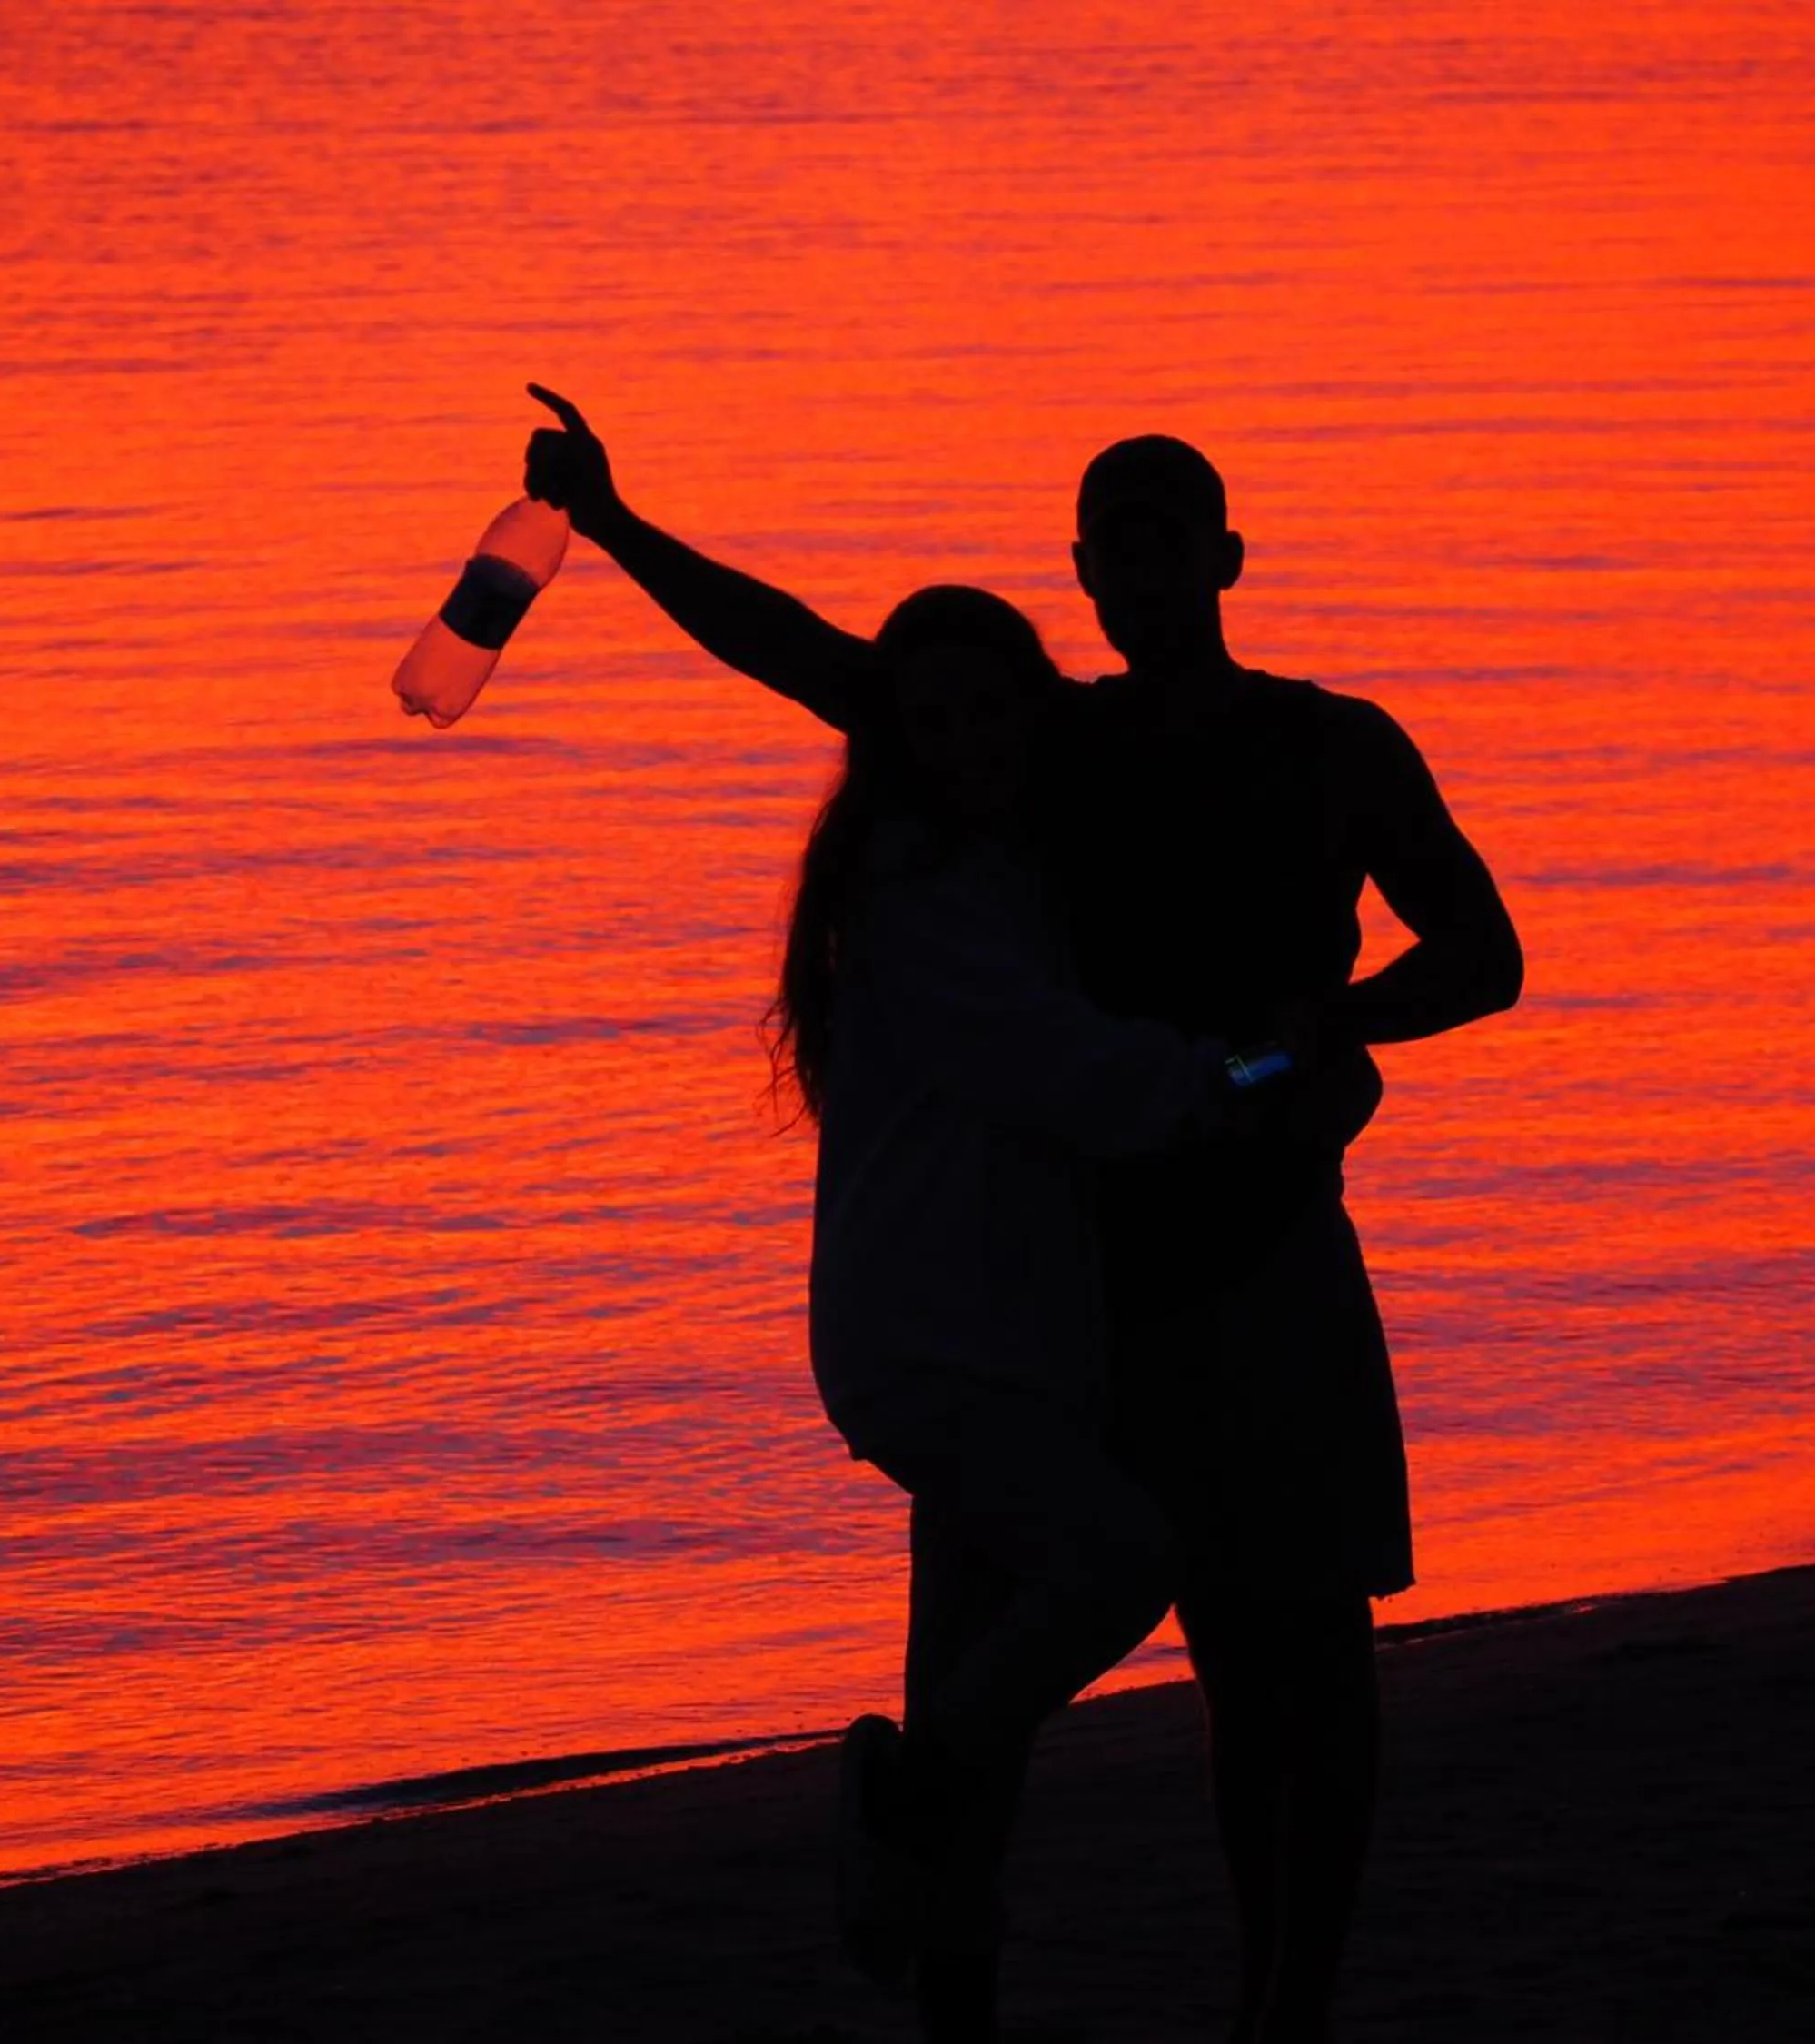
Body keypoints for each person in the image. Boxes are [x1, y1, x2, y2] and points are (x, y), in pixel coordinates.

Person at [524, 387, 1523, 2044]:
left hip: (1270, 1255)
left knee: (1309, 1659)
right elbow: (822, 663)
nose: (1142, 568)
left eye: (1168, 536)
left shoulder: (1332, 743)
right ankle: (1005, 1996)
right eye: (1112, 544)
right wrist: (621, 531)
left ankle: (1288, 2009)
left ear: (1228, 554)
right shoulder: (1062, 748)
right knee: (1137, 1664)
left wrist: (1330, 1033)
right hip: (1086, 1285)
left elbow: (1480, 956)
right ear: (1083, 571)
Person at [737, 580, 1324, 2041]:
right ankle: (904, 1788)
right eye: (930, 719)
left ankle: (951, 1973)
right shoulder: (921, 897)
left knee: (974, 1679)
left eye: (989, 707)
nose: (966, 737)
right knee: (1119, 1562)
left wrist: (618, 526)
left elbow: (805, 651)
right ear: (902, 743)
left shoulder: (997, 860)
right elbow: (1081, 1072)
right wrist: (1261, 1073)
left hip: (1004, 1332)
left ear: (1030, 712)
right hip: (937, 1342)